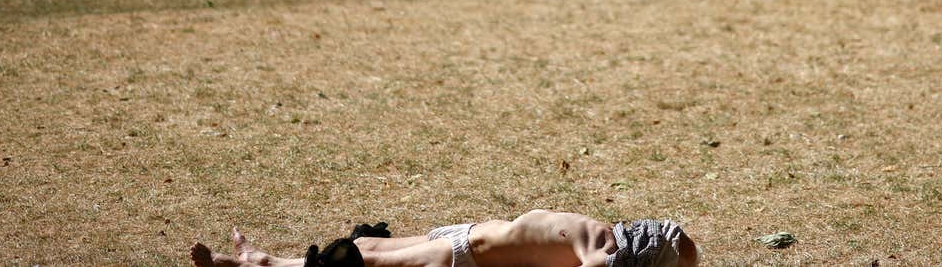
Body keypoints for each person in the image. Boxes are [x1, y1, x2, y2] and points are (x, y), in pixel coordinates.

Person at [189, 210, 700, 267]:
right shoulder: (603, 236)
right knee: (361, 248)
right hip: (464, 235)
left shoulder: (601, 254)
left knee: (354, 264)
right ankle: (268, 261)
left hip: (460, 257)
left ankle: (259, 266)